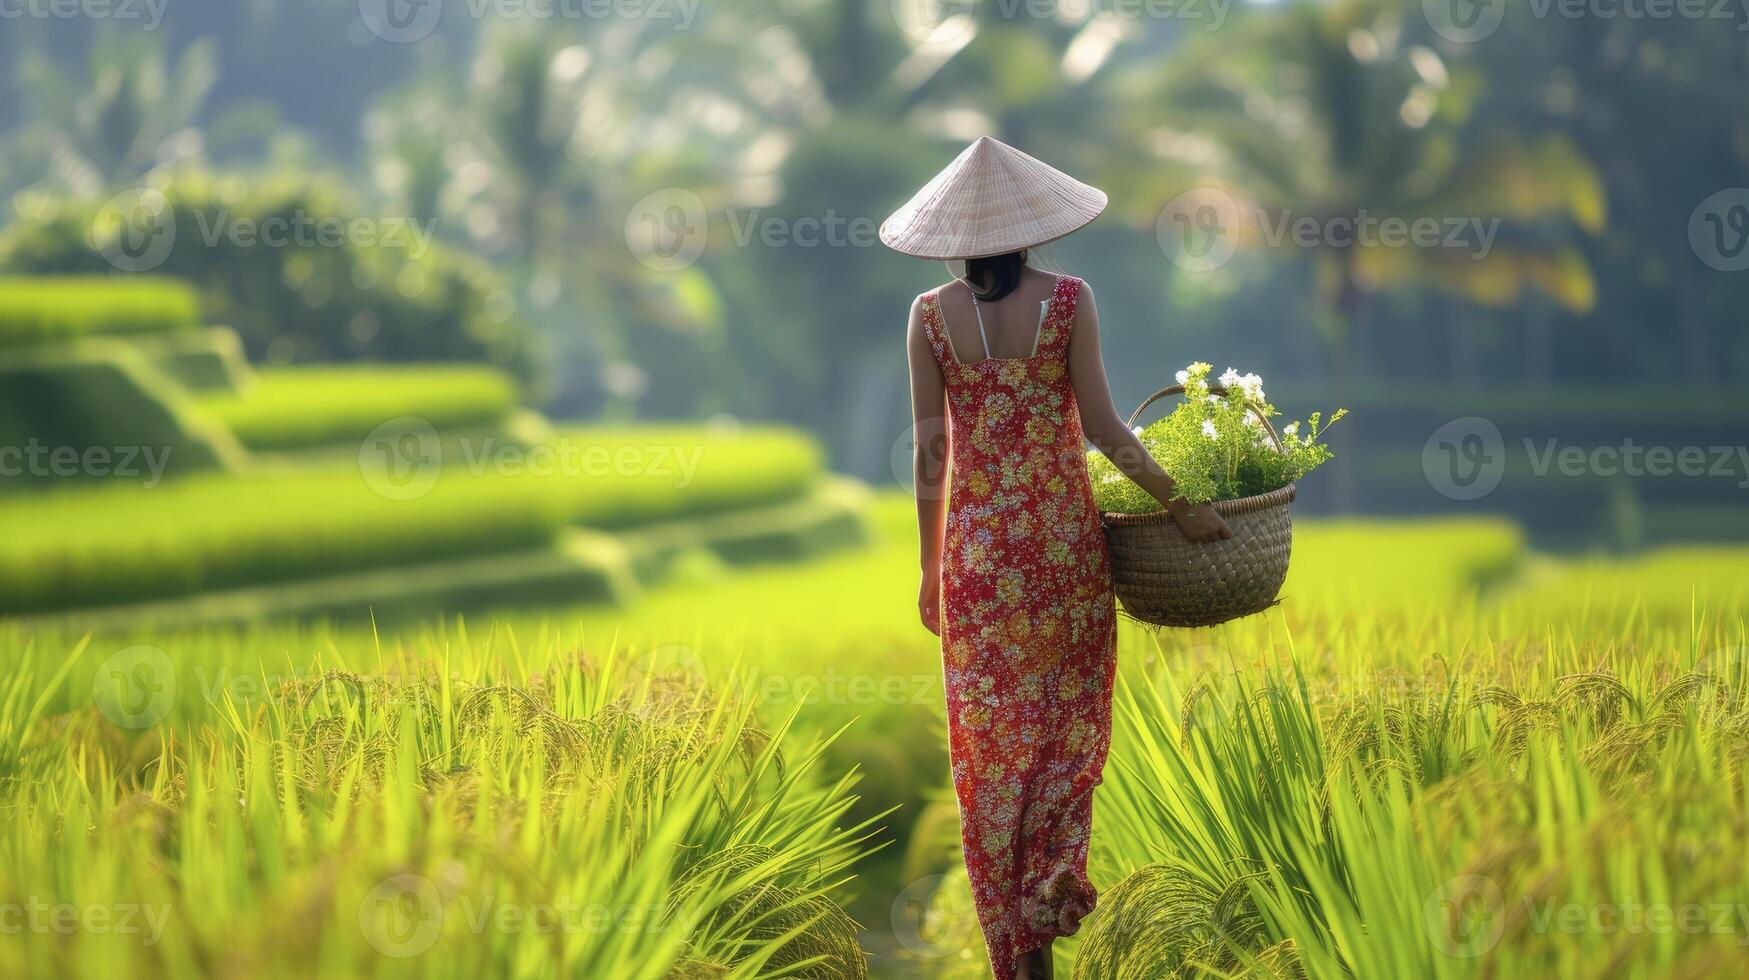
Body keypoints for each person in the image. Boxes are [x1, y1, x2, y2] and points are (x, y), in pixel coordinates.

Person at [880, 136, 1231, 980]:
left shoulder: (929, 315)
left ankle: (1021, 950)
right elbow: (1107, 431)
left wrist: (930, 568)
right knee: (1062, 740)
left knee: (993, 753)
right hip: (1061, 558)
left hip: (976, 561)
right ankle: (1047, 890)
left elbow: (931, 451)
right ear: (1031, 225)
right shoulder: (1069, 299)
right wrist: (1180, 507)